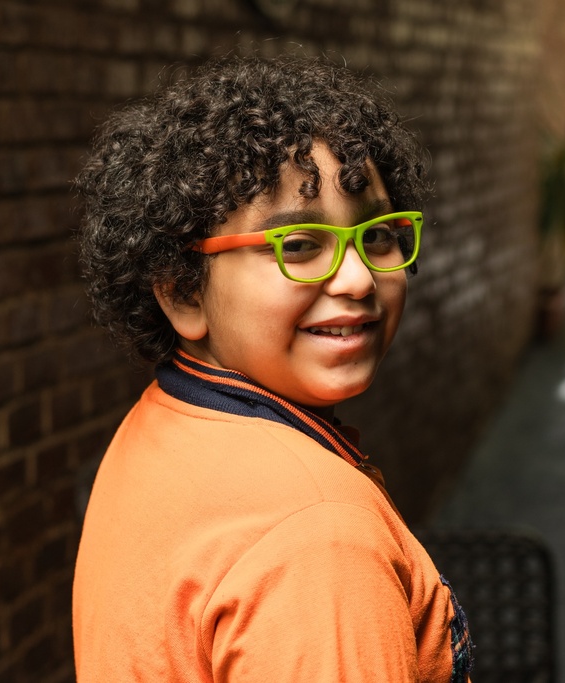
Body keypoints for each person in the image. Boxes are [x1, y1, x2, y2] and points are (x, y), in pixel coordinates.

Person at [71, 54, 472, 682]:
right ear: (181, 290)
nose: (360, 277)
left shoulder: (166, 424)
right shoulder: (319, 538)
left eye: (378, 235)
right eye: (298, 246)